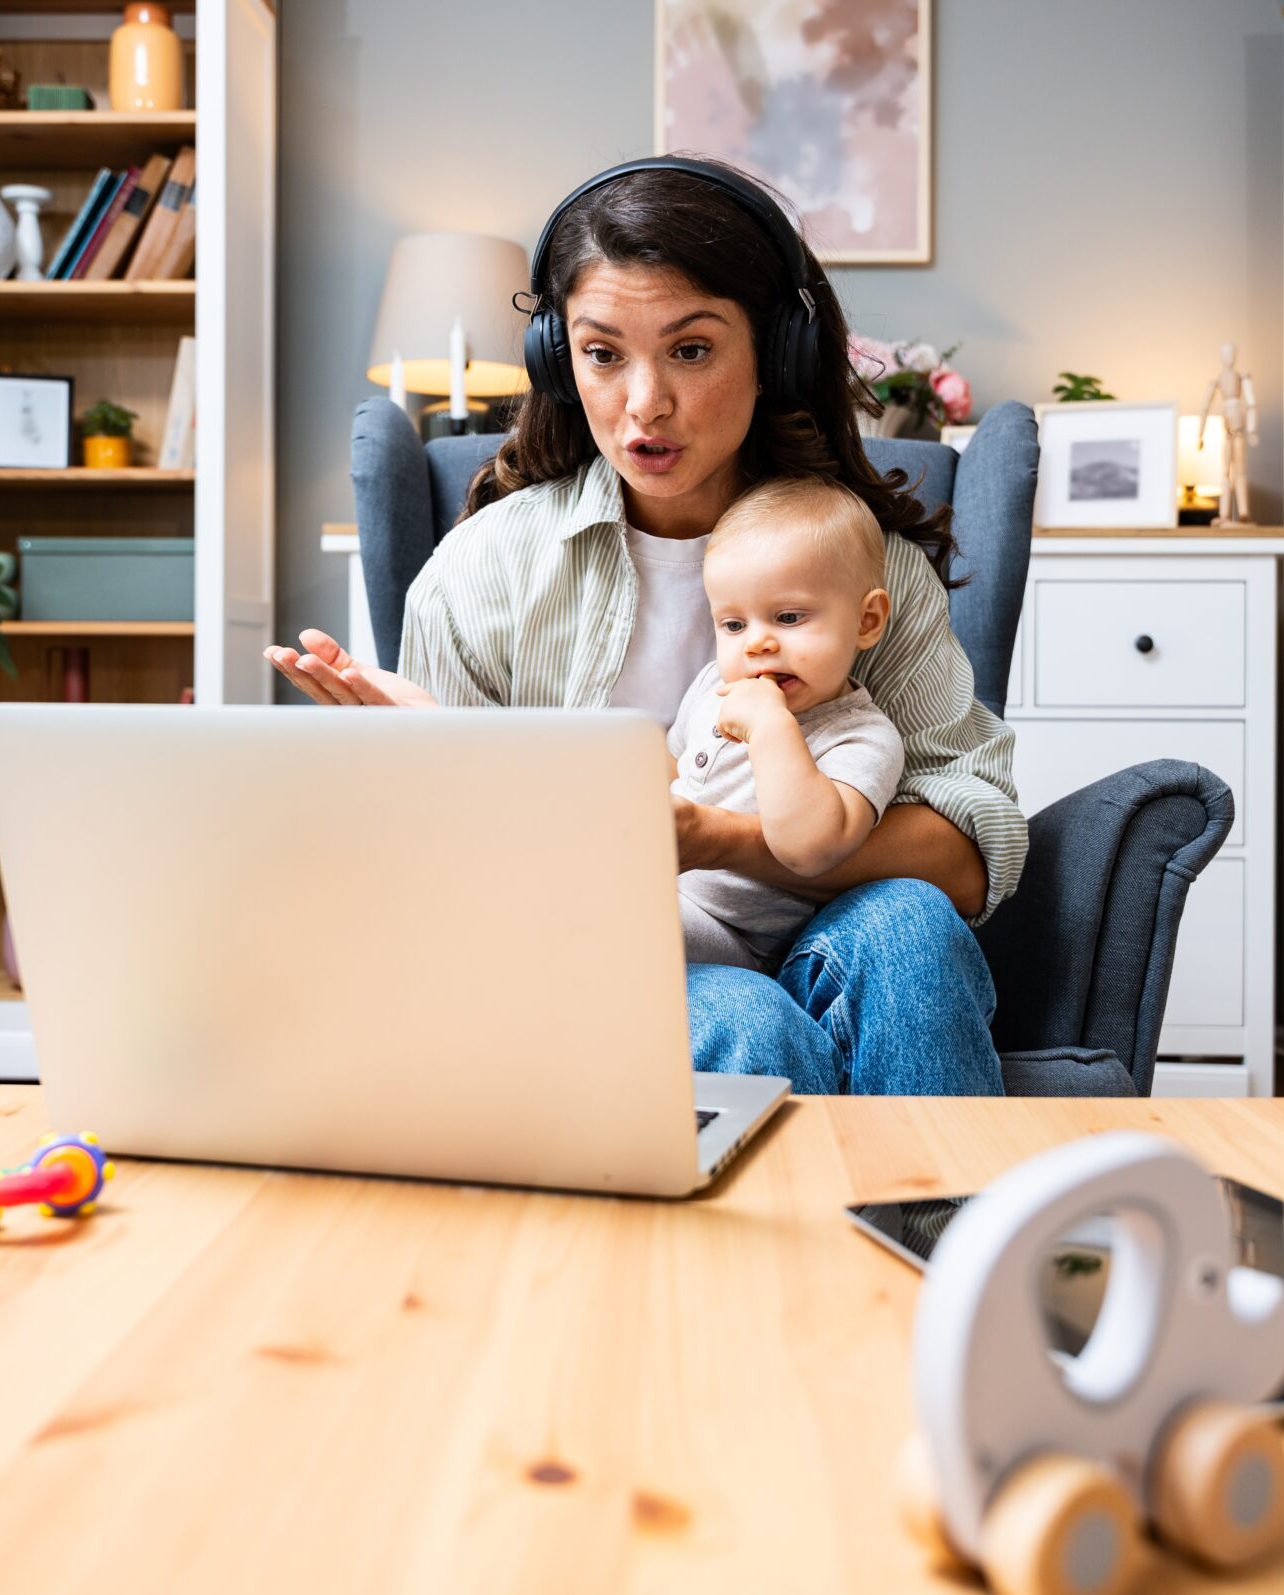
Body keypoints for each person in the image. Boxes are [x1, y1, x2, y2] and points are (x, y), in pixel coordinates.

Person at [266, 157, 1023, 1095]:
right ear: (558, 357)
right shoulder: (482, 571)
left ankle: (950, 1231)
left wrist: (720, 841)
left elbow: (970, 855)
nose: (643, 404)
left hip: (835, 937)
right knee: (746, 1021)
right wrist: (421, 768)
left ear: (774, 354)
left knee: (909, 925)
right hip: (597, 958)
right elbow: (451, 898)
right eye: (602, 352)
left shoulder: (871, 572)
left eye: (692, 350)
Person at [673, 475, 902, 974]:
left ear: (867, 622)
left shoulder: (862, 736)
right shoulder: (714, 684)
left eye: (789, 617)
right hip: (673, 894)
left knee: (615, 917)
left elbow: (809, 849)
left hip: (747, 942)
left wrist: (771, 726)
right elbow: (677, 767)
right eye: (734, 625)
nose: (757, 643)